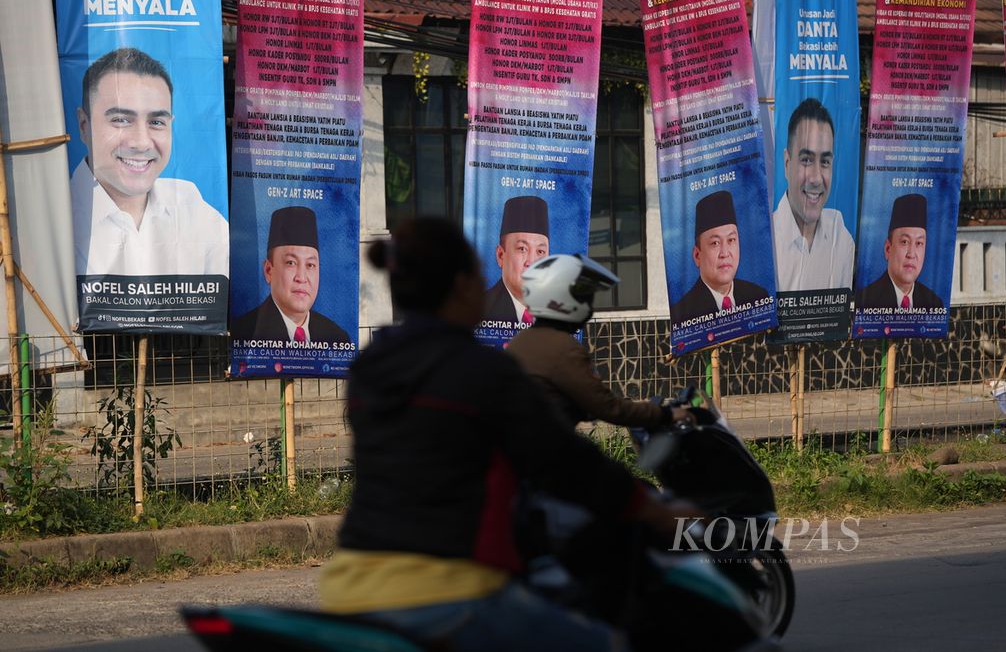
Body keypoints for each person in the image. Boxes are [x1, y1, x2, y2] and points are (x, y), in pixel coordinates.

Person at [319, 217, 702, 652]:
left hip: (349, 588)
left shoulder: (371, 368)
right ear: (463, 286)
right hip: (453, 591)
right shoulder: (480, 371)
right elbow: (568, 462)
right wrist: (651, 510)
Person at [71, 47, 228, 278]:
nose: (142, 143)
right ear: (84, 125)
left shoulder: (192, 208)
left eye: (156, 122)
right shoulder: (55, 217)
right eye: (121, 120)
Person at [507, 254, 692, 432]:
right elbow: (610, 408)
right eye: (585, 297)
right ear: (563, 299)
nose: (589, 306)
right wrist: (666, 413)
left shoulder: (521, 341)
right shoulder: (563, 348)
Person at [232, 206, 351, 343]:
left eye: (310, 265)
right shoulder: (244, 333)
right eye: (291, 263)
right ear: (268, 271)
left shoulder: (337, 338)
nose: (301, 278)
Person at [772, 98, 855, 292]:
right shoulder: (766, 244)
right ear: (786, 163)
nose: (817, 178)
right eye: (807, 160)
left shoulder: (841, 238)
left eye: (825, 162)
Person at [670, 190, 770, 320]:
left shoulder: (759, 297)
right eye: (715, 243)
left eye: (731, 240)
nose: (725, 253)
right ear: (697, 256)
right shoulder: (684, 314)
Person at [855, 193, 944, 310]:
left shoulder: (934, 304)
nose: (911, 254)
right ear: (888, 249)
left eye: (919, 243)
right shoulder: (866, 302)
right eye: (904, 242)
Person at [484, 195, 550, 323]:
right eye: (522, 249)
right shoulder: (479, 310)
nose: (531, 262)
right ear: (500, 255)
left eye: (540, 251)